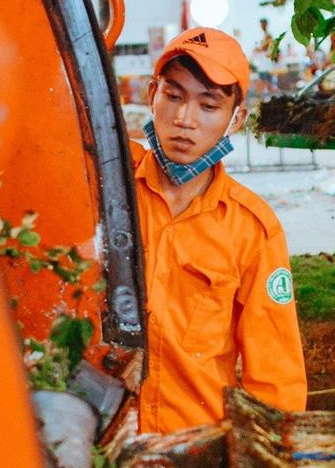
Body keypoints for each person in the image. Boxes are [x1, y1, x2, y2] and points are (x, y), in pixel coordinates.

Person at [130, 26, 307, 434]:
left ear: (236, 118)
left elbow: (276, 377)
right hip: (98, 444)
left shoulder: (251, 228)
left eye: (208, 106)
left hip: (196, 450)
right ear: (151, 93)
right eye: (173, 96)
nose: (183, 120)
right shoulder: (106, 189)